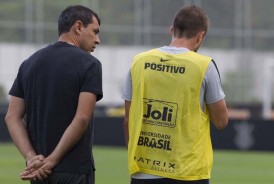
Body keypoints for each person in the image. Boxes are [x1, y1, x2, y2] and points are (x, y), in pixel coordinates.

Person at [122, 5, 228, 184]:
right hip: (188, 172)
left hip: (144, 170)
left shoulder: (139, 62)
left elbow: (128, 120)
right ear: (201, 35)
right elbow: (221, 121)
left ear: (172, 30)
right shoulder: (204, 66)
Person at [5, 5, 103, 184]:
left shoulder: (29, 63)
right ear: (78, 27)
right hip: (74, 170)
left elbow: (12, 117)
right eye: (95, 31)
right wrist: (52, 160)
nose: (97, 40)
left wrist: (31, 157)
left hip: (38, 171)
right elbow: (82, 118)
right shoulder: (90, 64)